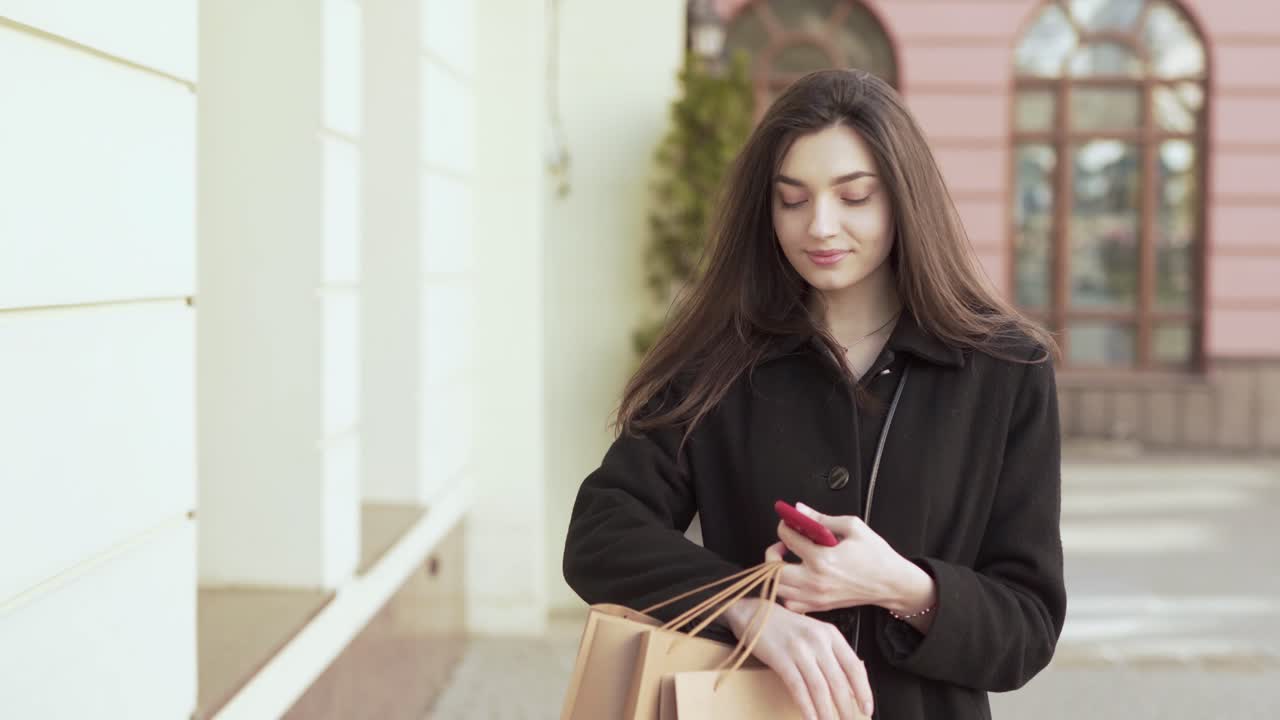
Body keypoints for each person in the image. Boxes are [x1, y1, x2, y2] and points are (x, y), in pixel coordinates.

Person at [562, 68, 1065, 720]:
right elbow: (602, 532)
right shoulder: (717, 359)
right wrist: (741, 609)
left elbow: (1026, 628)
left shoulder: (1004, 369)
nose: (820, 227)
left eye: (854, 196)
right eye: (792, 200)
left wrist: (901, 586)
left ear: (903, 199)